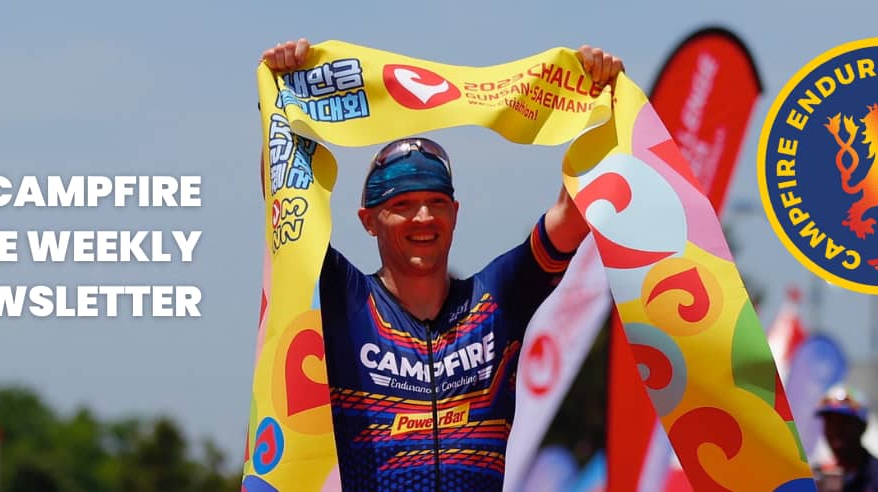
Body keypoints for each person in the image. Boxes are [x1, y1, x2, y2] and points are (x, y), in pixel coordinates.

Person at [262, 39, 621, 491]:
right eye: (403, 204)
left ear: (455, 213)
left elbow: (574, 213)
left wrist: (599, 100)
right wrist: (281, 97)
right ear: (368, 221)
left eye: (436, 202)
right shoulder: (344, 302)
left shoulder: (496, 300)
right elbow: (287, 200)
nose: (424, 218)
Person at [816, 387, 878, 492]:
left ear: (862, 426)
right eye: (830, 422)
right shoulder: (813, 479)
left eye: (844, 422)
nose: (836, 430)